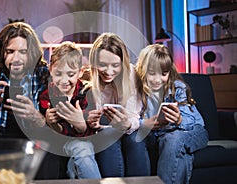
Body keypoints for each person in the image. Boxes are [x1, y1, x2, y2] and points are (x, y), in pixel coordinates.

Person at [135, 44, 209, 184]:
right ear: (143, 70)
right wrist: (144, 124)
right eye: (152, 73)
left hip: (194, 131)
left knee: (174, 139)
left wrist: (179, 119)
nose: (158, 79)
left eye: (163, 74)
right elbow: (131, 120)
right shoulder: (138, 90)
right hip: (164, 136)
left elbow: (193, 121)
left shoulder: (177, 88)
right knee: (177, 148)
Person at [87, 32, 150, 177]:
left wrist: (126, 124)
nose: (108, 72)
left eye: (115, 65)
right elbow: (95, 122)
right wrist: (92, 123)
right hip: (107, 131)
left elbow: (134, 116)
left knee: (135, 138)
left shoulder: (131, 74)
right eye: (102, 65)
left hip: (131, 128)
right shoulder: (90, 81)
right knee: (107, 135)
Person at [38, 41, 101, 179]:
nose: (64, 80)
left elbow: (91, 131)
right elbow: (51, 132)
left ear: (80, 72)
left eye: (70, 74)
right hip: (56, 142)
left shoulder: (88, 92)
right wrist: (51, 122)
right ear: (51, 71)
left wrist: (80, 124)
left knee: (82, 149)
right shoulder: (46, 95)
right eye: (58, 74)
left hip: (81, 141)